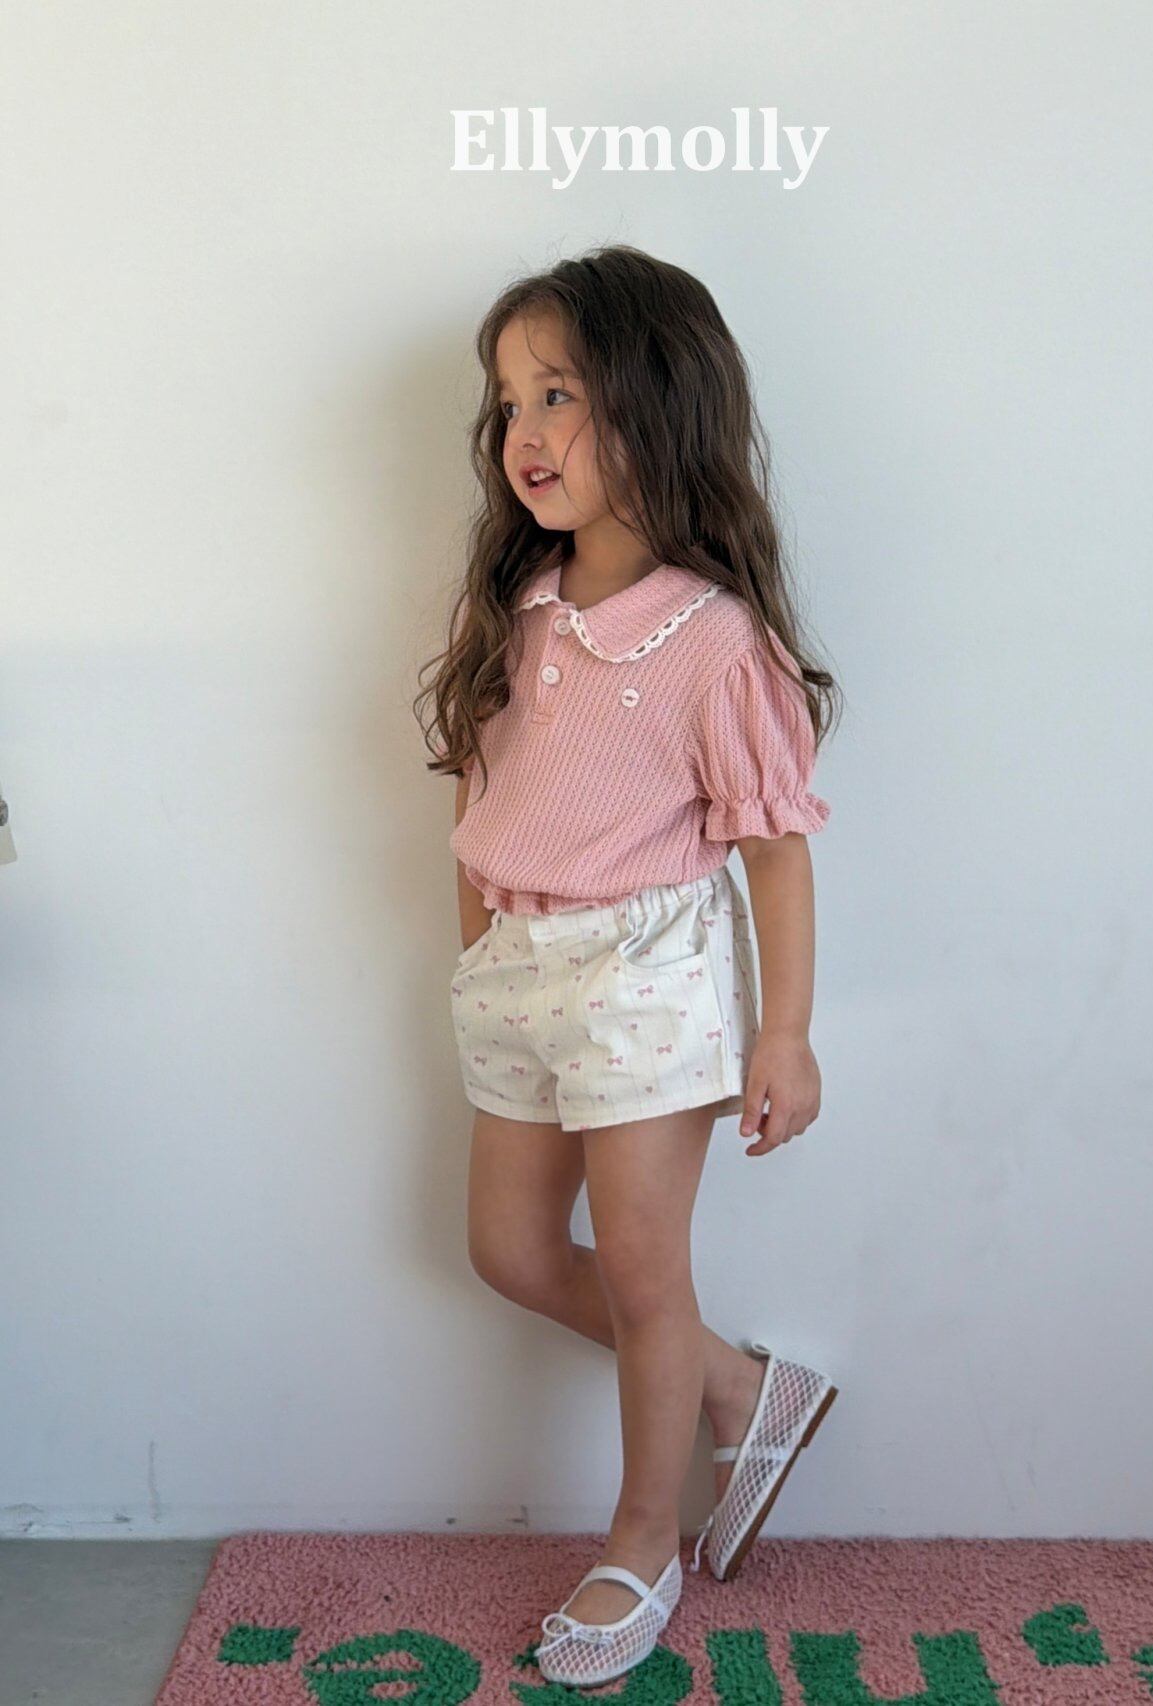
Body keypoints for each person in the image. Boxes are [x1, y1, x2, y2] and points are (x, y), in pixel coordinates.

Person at [415, 244, 842, 1686]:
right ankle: (740, 1386)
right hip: (517, 964)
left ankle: (644, 1540)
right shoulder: (515, 602)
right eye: (509, 403)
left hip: (647, 974)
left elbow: (775, 849)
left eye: (560, 395)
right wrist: (480, 958)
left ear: (657, 403)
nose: (524, 433)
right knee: (510, 1248)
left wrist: (784, 1034)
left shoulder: (712, 639)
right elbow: (479, 802)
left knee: (650, 1274)